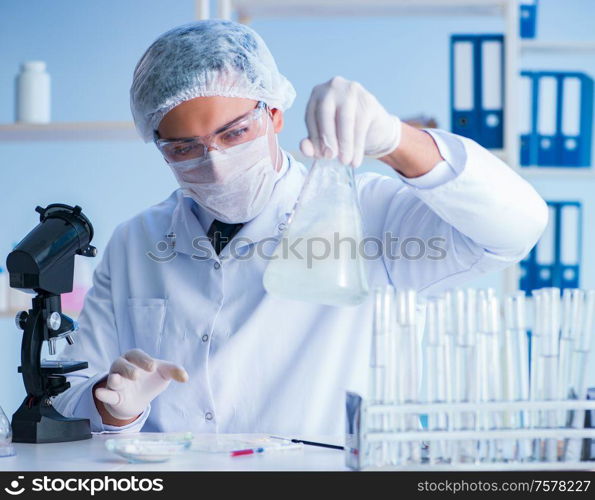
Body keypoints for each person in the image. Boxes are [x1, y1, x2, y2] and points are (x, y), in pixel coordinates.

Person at [53, 20, 547, 436]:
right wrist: (115, 408)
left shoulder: (366, 214)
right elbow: (70, 392)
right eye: (184, 148)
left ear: (273, 114)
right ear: (159, 145)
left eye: (235, 133)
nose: (217, 163)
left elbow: (515, 227)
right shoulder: (136, 241)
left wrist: (396, 140)